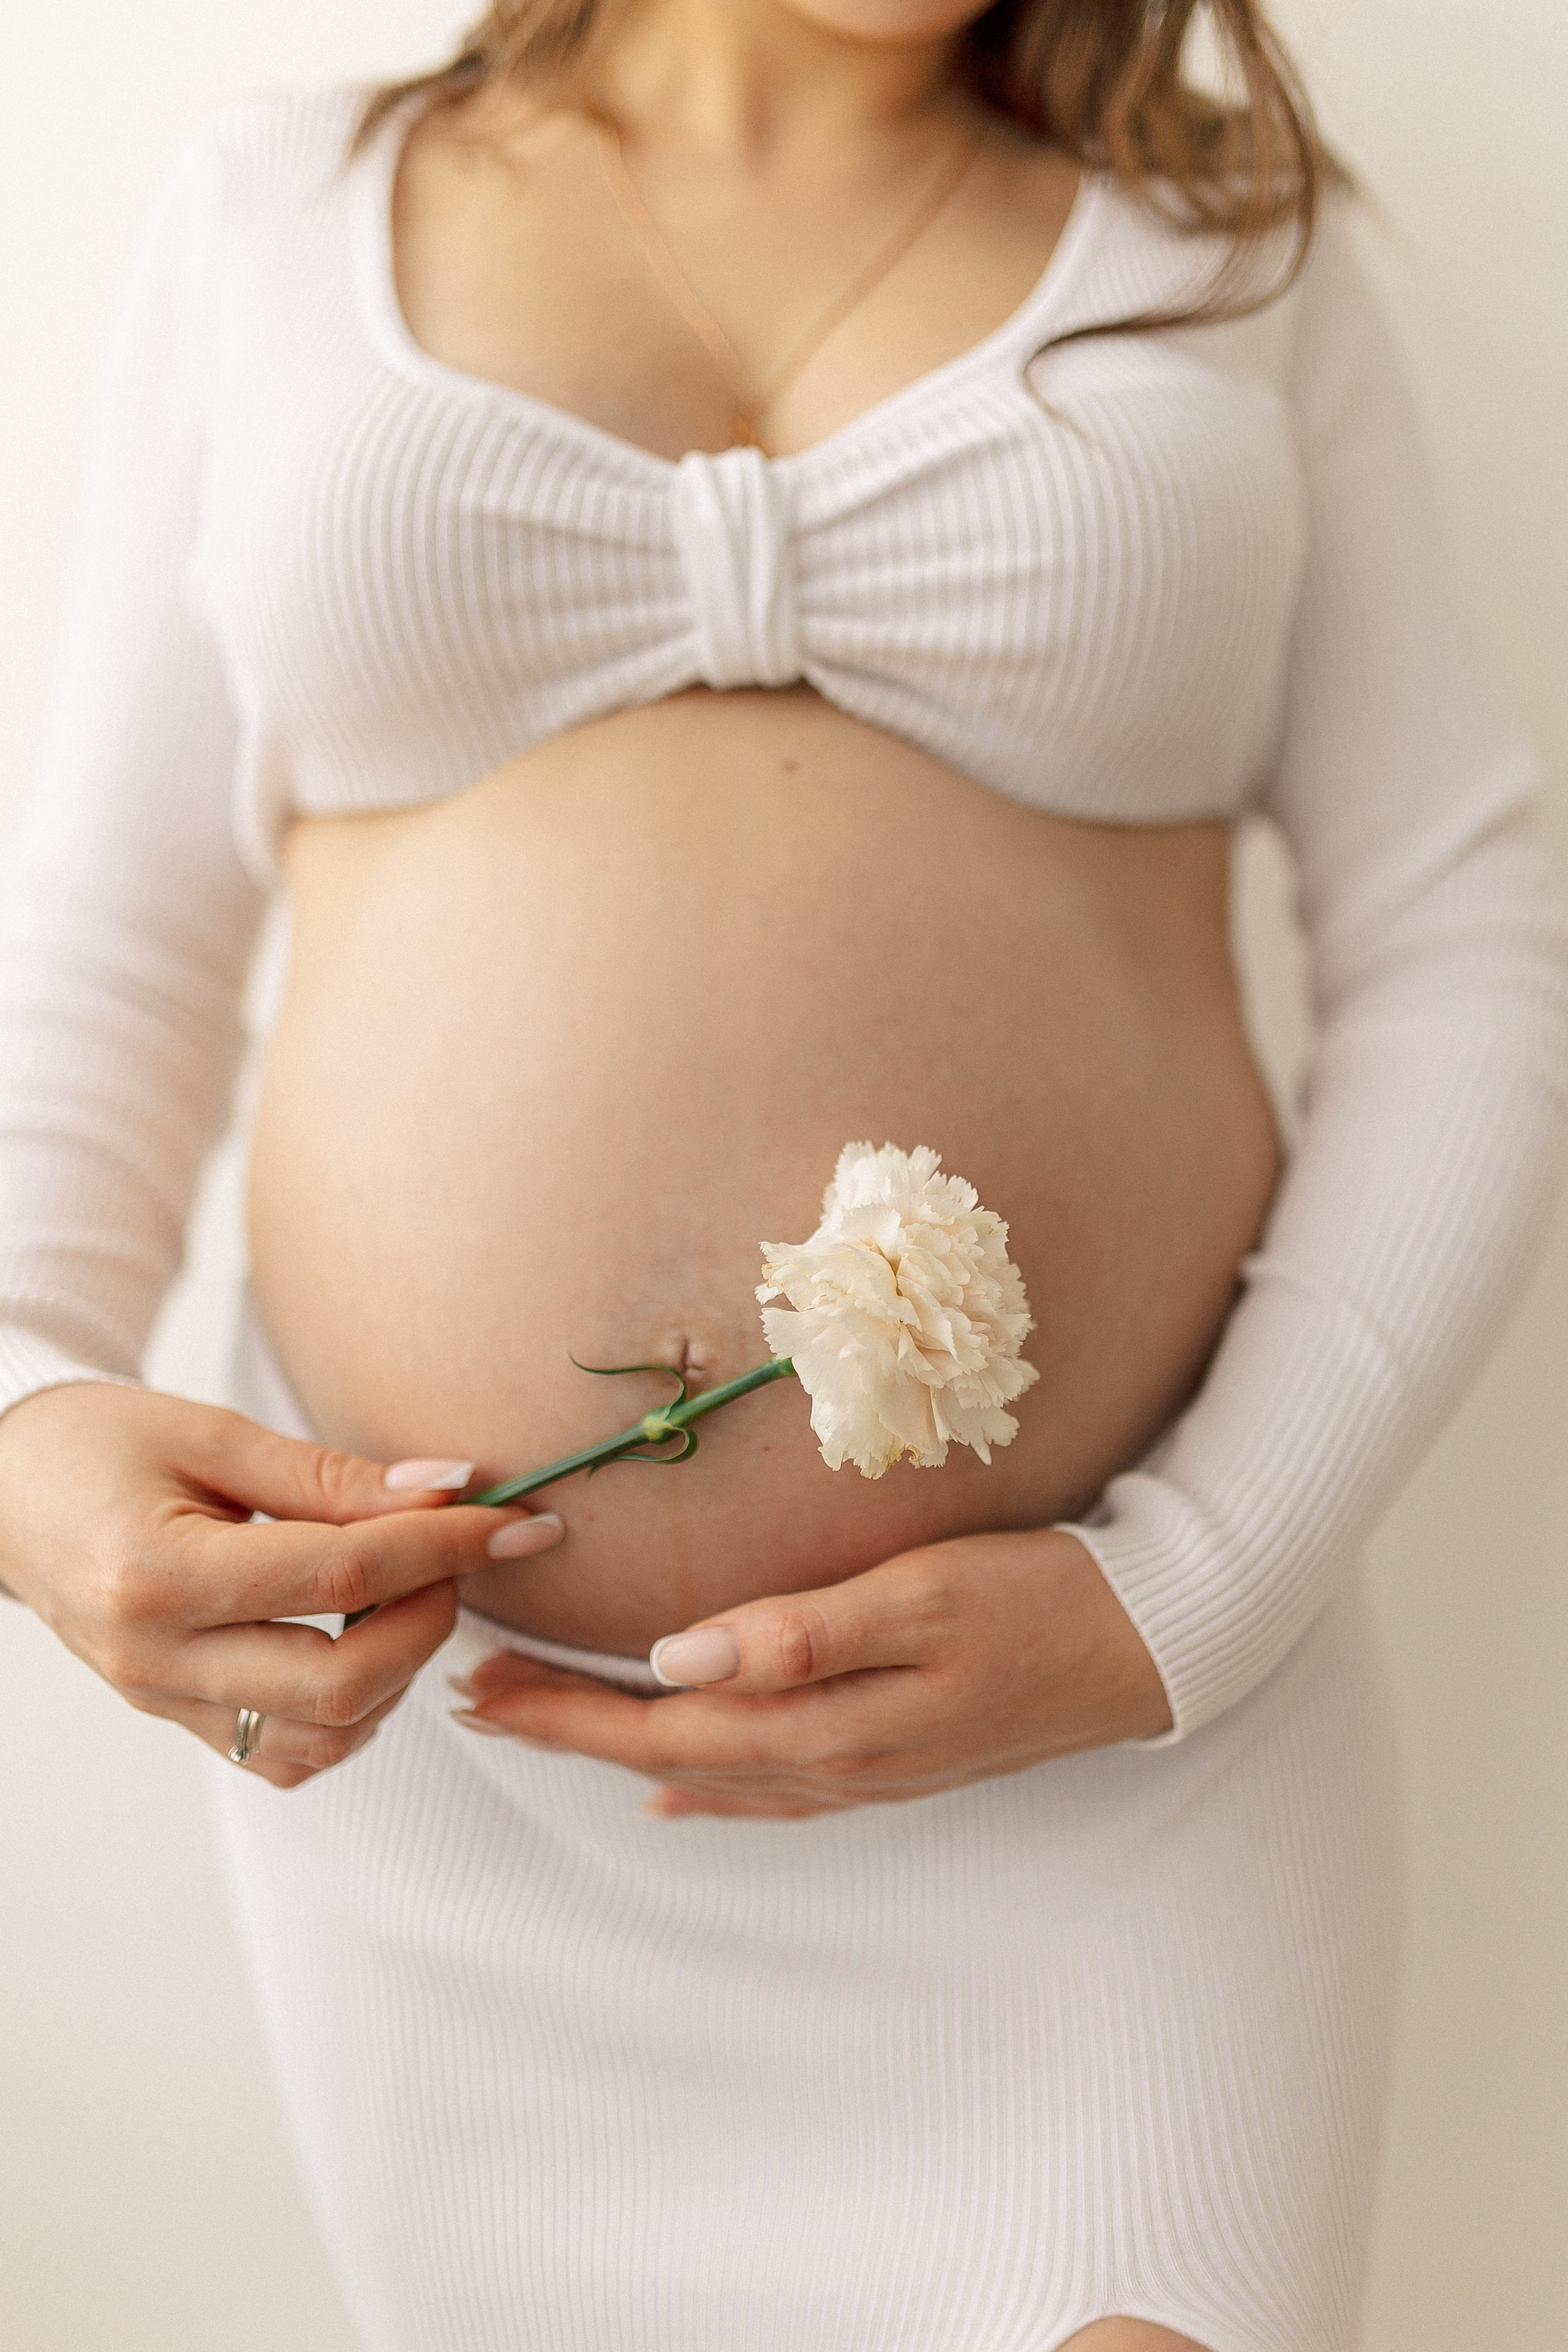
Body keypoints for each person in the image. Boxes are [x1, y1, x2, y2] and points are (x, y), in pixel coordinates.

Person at [1, 0, 1564, 2345]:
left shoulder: (1230, 250)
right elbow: (103, 962)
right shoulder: (272, 219)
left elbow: (1475, 947)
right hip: (466, 1787)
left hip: (1128, 1767)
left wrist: (1196, 1595)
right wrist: (20, 1424)